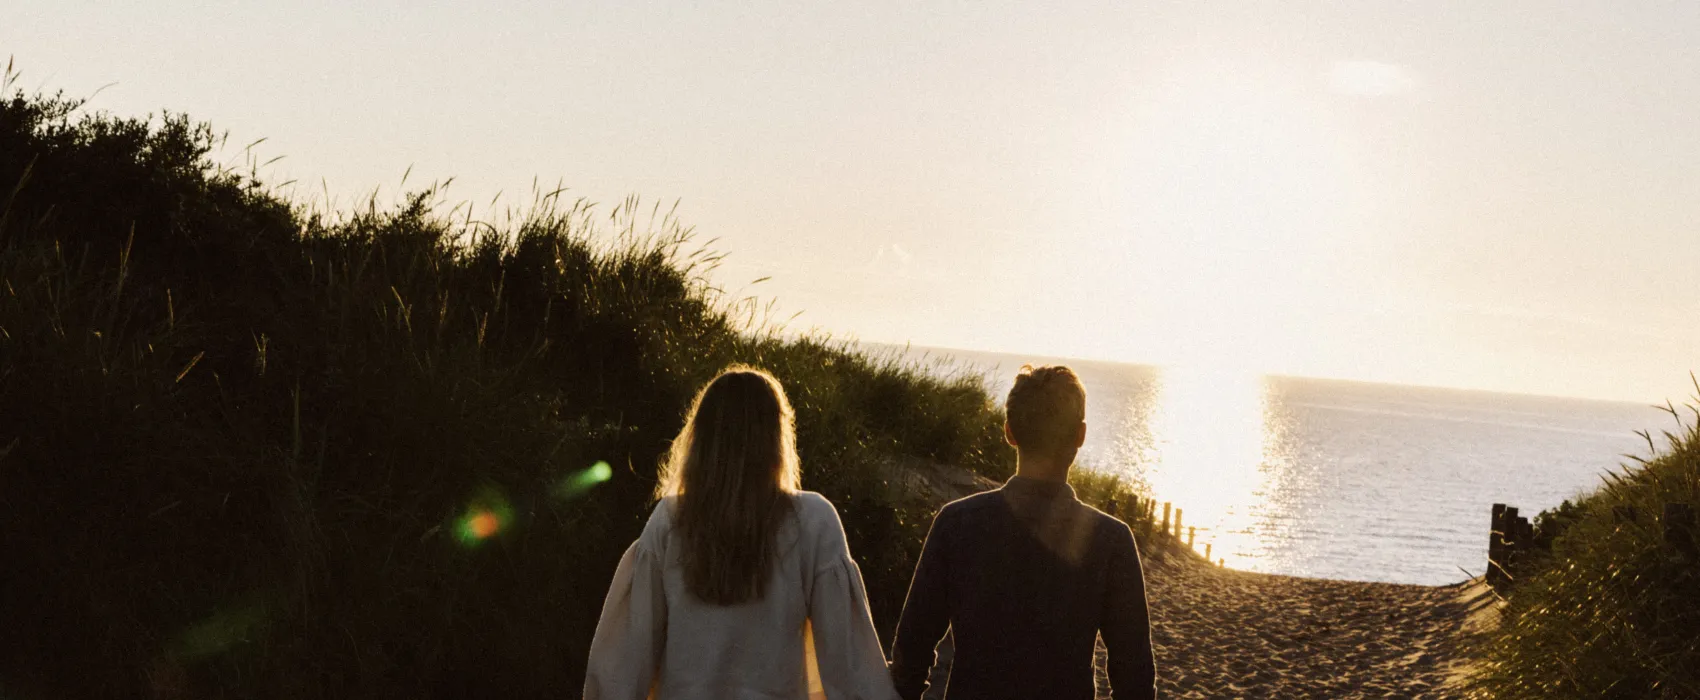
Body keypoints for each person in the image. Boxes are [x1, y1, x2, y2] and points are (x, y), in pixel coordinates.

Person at [584, 366, 899, 700]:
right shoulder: (813, 521)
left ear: (700, 437)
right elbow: (850, 667)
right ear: (776, 438)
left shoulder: (671, 520)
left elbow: (624, 664)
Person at [888, 364, 1157, 699]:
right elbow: (1134, 678)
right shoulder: (1111, 540)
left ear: (1009, 432)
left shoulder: (957, 524)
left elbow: (910, 655)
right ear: (1080, 435)